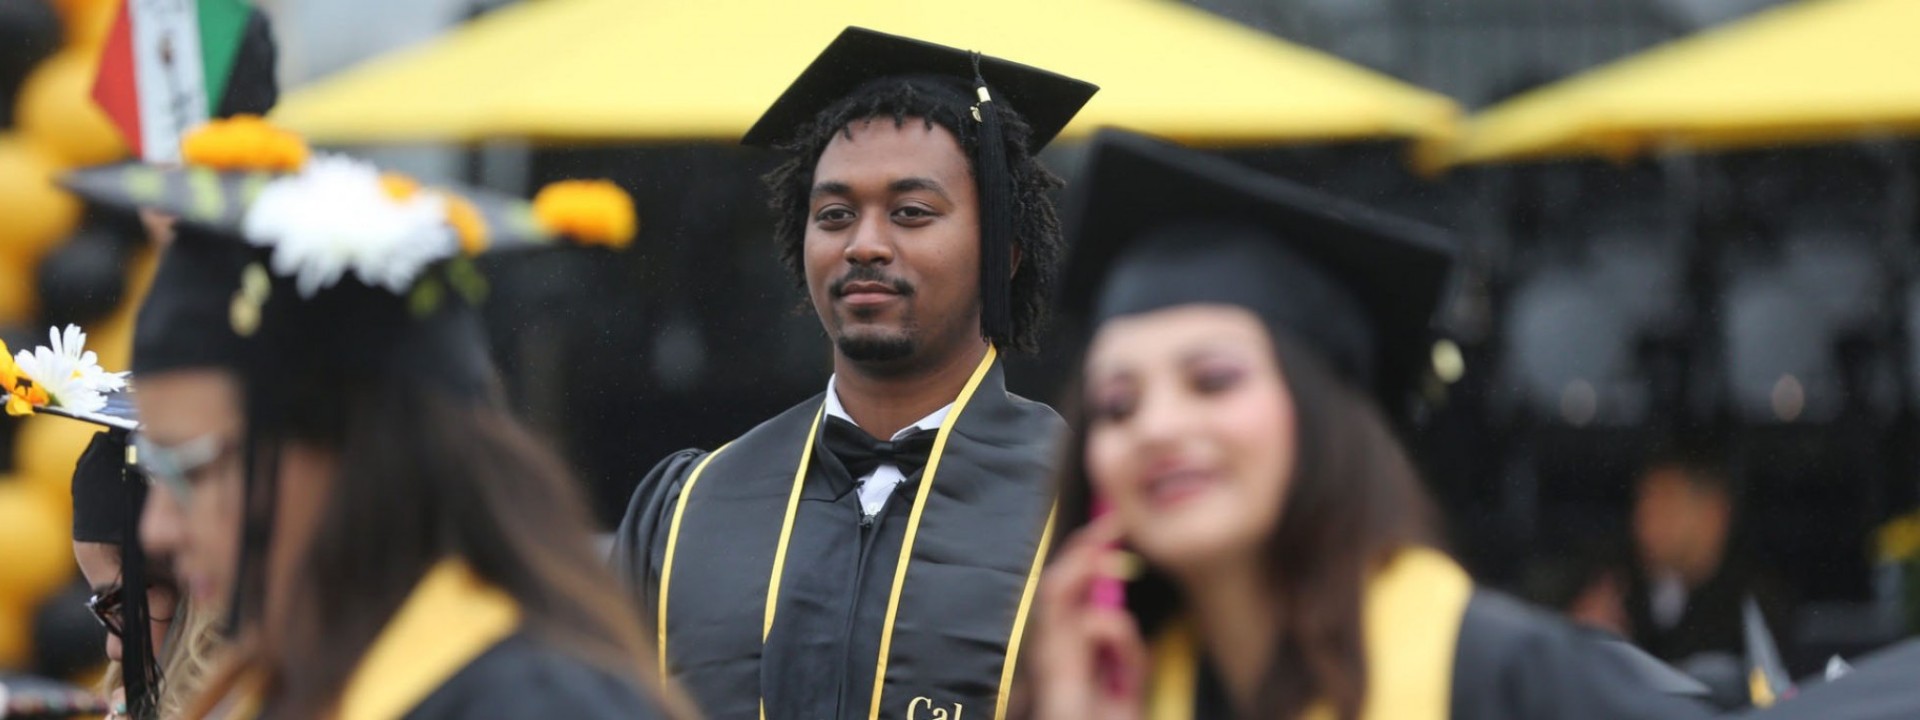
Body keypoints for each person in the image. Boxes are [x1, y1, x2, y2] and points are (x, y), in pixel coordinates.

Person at [1024, 130, 1714, 720]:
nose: (1158, 425)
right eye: (1117, 405)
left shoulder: (1513, 679)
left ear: (1321, 415)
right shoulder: (1127, 693)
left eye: (1214, 380)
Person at [64, 118, 687, 719]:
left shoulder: (535, 705)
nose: (158, 529)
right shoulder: (290, 686)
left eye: (191, 470)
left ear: (352, 454)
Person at [611, 27, 1096, 720]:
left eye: (911, 213)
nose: (865, 244)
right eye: (834, 215)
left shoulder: (1080, 509)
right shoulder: (690, 506)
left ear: (1005, 252)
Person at [1627, 446, 1791, 667]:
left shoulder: (1755, 606)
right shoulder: (1626, 589)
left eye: (1665, 507)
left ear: (1713, 514)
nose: (1644, 525)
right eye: (1643, 508)